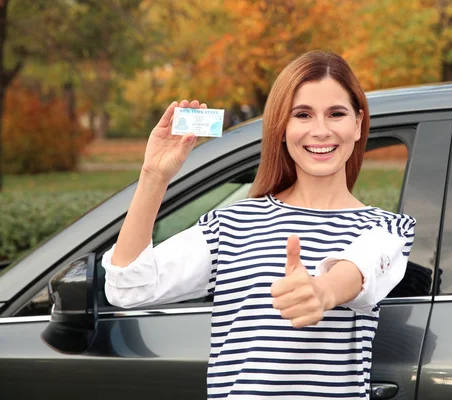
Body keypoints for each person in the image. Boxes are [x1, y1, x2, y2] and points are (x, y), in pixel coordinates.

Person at [102, 51, 416, 399]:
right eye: (303, 115)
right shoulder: (232, 224)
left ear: (357, 124)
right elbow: (128, 288)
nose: (321, 130)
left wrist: (321, 292)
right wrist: (153, 176)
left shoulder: (387, 230)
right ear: (282, 127)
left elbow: (358, 270)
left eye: (336, 114)